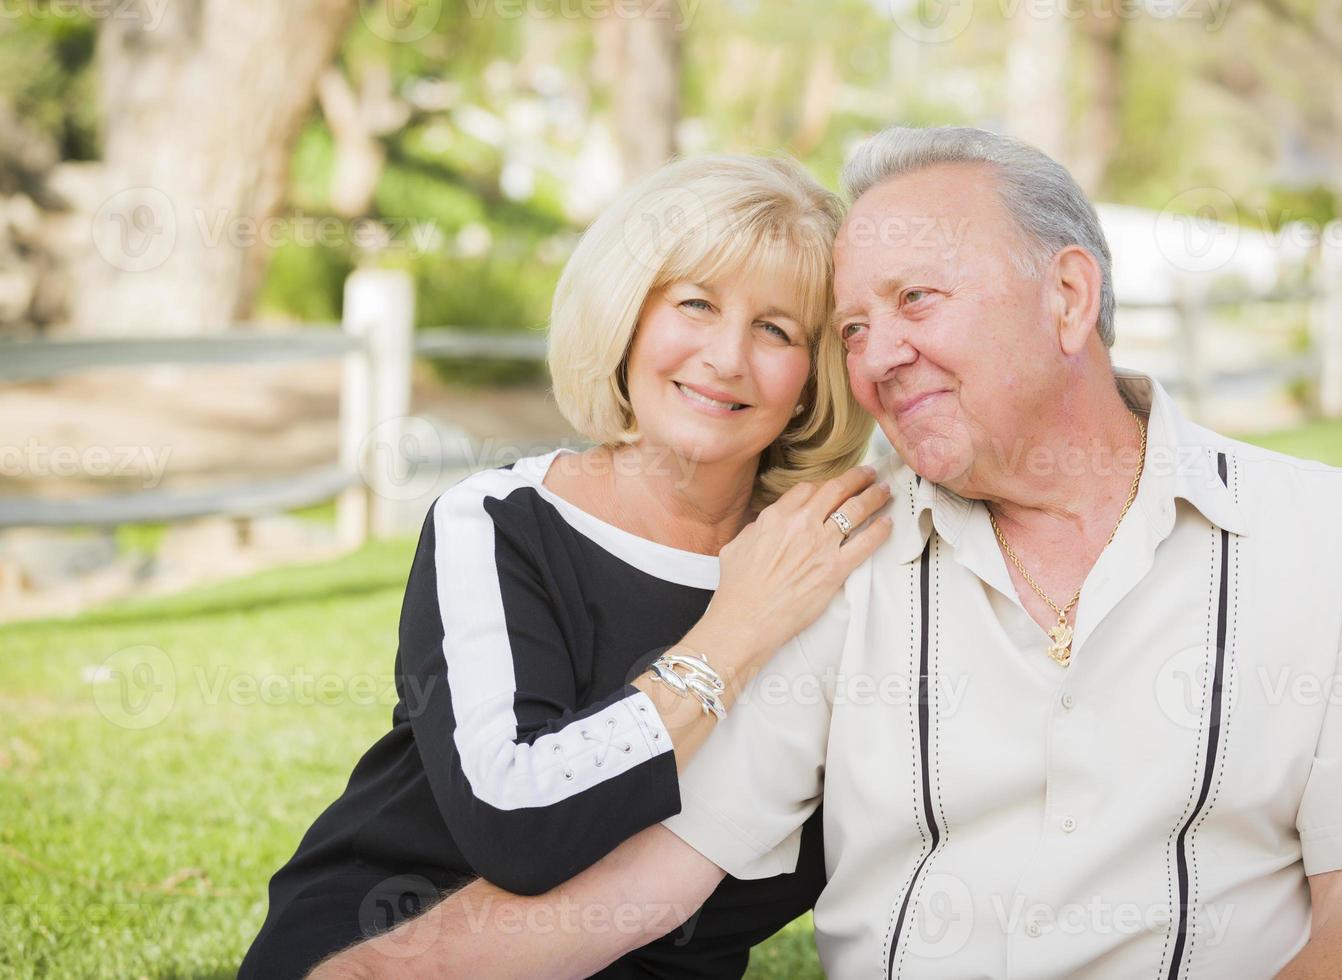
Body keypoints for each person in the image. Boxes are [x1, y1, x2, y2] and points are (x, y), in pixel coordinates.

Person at [313, 127, 1342, 980]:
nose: (878, 359)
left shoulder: (1329, 535)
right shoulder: (841, 555)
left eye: (916, 299)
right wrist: (366, 972)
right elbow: (644, 879)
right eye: (856, 327)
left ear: (1069, 296)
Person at [237, 153, 893, 979]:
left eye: (776, 330)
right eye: (695, 304)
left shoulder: (828, 557)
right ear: (626, 321)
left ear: (811, 378)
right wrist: (735, 632)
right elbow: (517, 823)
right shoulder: (499, 522)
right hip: (389, 939)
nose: (728, 356)